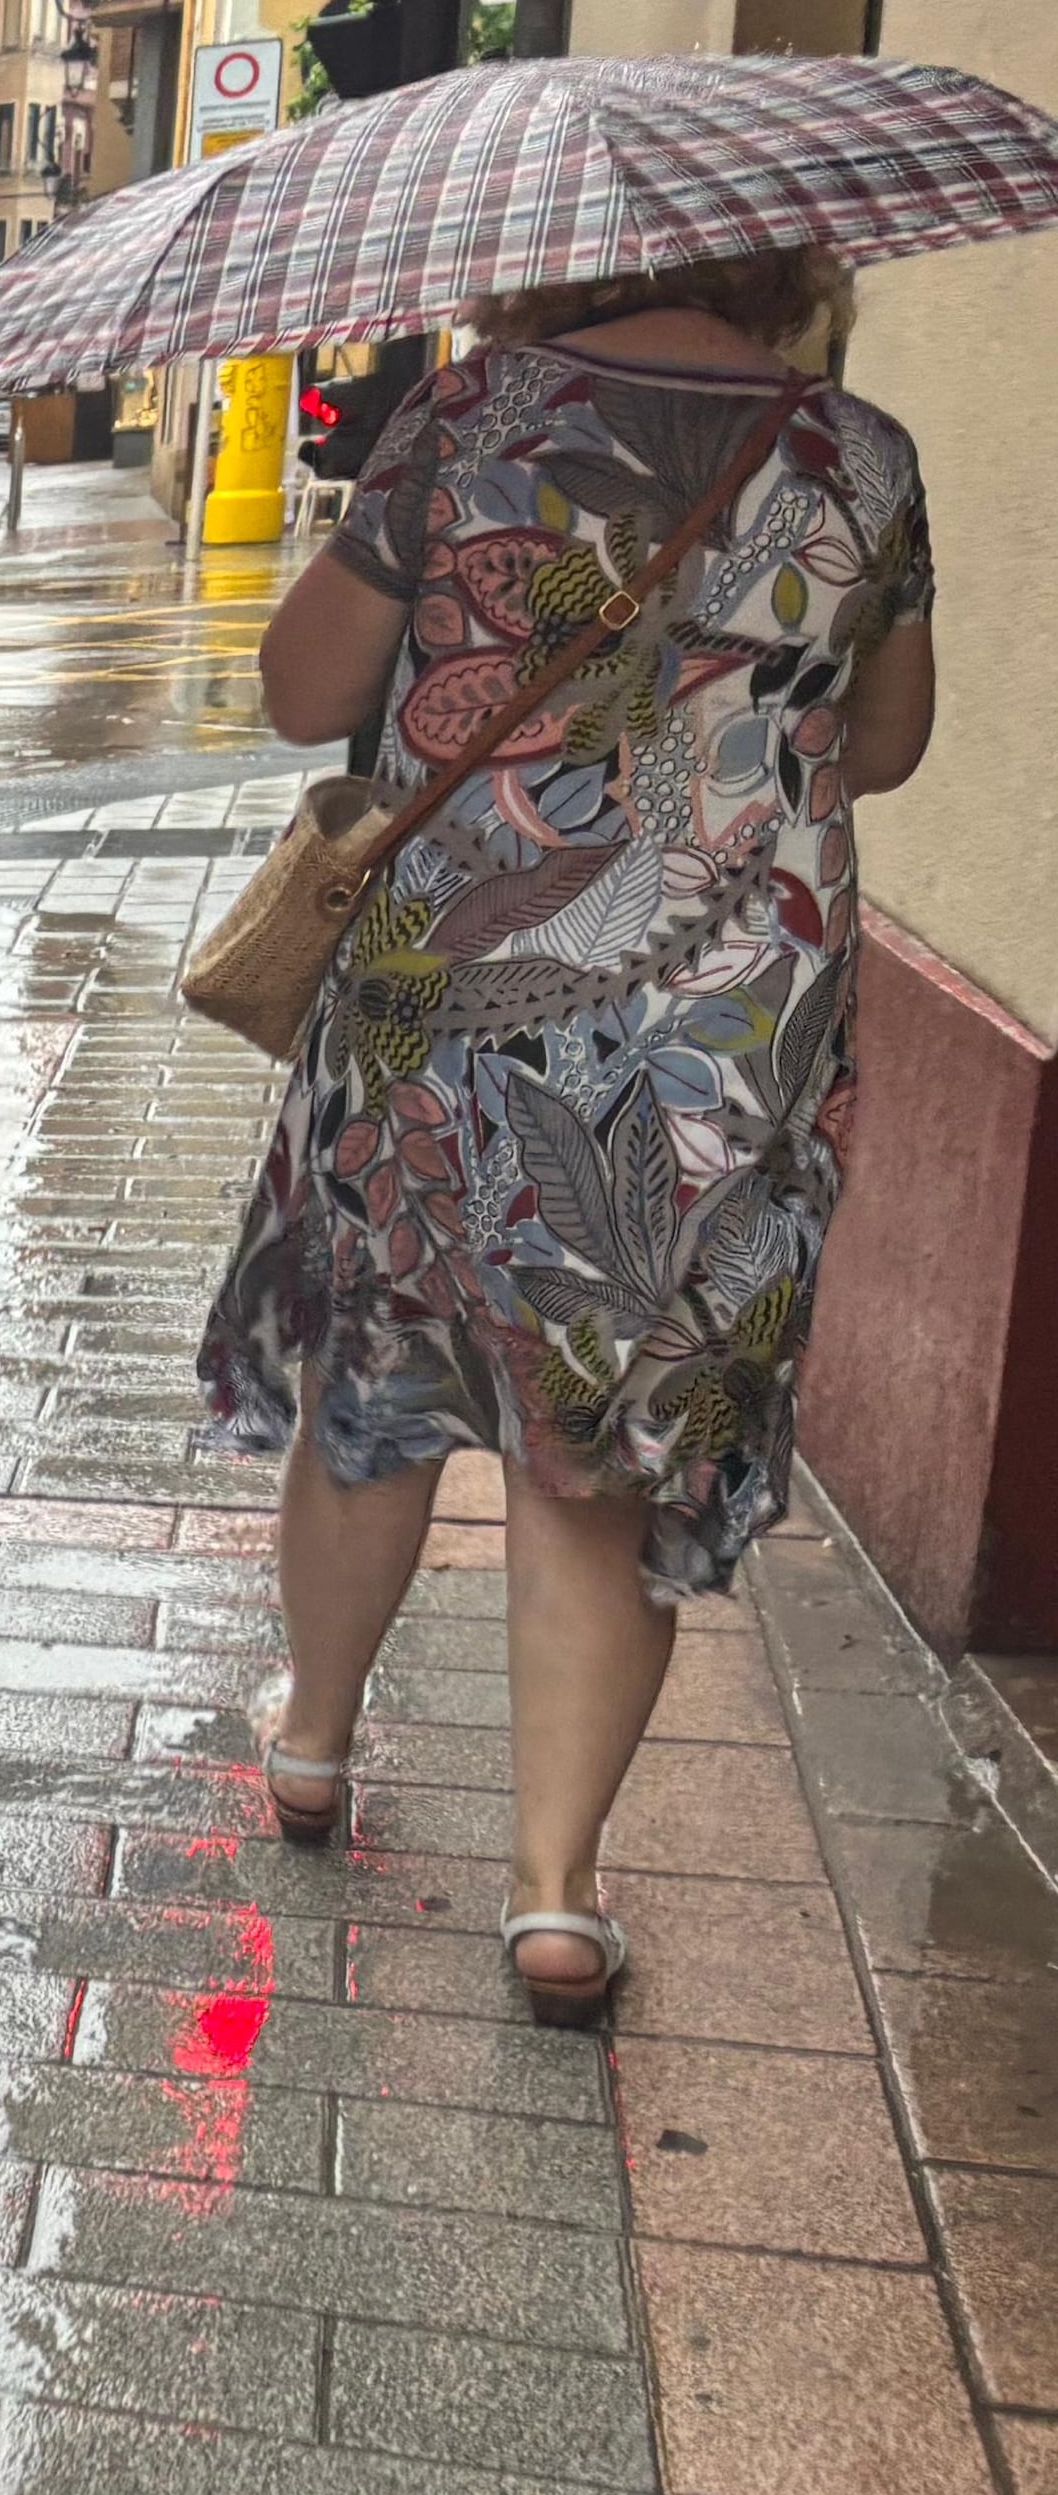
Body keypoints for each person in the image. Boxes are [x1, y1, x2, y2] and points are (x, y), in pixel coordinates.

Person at [202, 245, 937, 2019]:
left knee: (378, 1389)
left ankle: (312, 1744)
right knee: (603, 1439)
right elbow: (890, 744)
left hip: (449, 1006)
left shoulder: (467, 418)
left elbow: (306, 695)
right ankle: (553, 1893)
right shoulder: (865, 454)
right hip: (728, 1033)